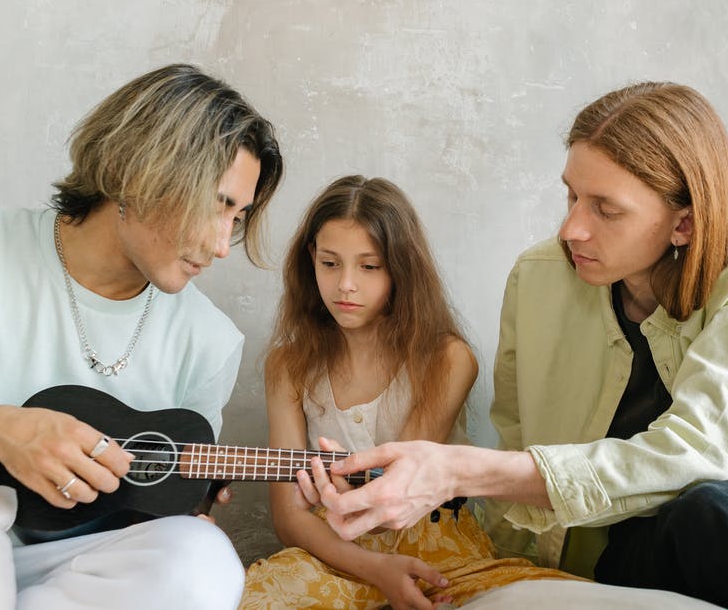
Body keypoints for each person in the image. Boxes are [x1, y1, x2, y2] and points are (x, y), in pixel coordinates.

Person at [300, 83, 728, 610]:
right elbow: (515, 440)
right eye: (571, 196)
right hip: (649, 540)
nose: (572, 227)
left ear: (683, 221)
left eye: (605, 207)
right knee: (708, 507)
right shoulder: (537, 279)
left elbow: (705, 452)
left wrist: (455, 468)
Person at [0, 63, 284, 609]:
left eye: (237, 218)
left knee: (202, 554)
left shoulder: (210, 340)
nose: (222, 245)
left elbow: (165, 528)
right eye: (217, 205)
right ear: (139, 173)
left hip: (78, 575)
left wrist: (198, 497)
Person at [241, 176, 582, 609]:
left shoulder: (447, 358)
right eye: (330, 263)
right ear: (311, 259)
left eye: (369, 266)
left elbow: (396, 495)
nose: (346, 284)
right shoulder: (287, 365)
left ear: (401, 268)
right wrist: (374, 568)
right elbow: (289, 516)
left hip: (436, 545)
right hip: (330, 549)